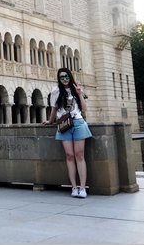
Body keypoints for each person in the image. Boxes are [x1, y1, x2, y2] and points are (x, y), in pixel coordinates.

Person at [43, 67, 92, 198]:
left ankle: (82, 187)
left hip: (78, 123)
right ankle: (74, 187)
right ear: (59, 79)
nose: (64, 79)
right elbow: (54, 109)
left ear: (70, 76)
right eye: (62, 77)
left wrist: (79, 93)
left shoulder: (77, 89)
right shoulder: (56, 91)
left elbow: (84, 109)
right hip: (64, 124)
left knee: (79, 155)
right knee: (69, 156)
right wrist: (50, 121)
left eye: (66, 76)